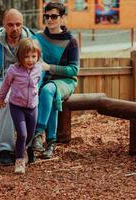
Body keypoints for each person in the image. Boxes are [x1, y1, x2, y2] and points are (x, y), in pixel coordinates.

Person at [0, 9, 34, 166]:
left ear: (22, 24)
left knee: (30, 103)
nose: (15, 28)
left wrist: (34, 85)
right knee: (7, 100)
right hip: (0, 81)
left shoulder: (31, 40)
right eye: (10, 25)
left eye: (18, 24)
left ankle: (27, 146)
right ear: (3, 25)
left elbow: (38, 66)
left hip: (24, 81)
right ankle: (5, 149)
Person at [32, 2, 80, 159]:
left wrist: (49, 67)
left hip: (65, 81)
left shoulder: (71, 41)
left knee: (48, 90)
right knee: (48, 93)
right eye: (46, 16)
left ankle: (38, 133)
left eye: (54, 16)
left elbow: (74, 70)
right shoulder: (38, 38)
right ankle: (51, 142)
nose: (49, 19)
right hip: (43, 80)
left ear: (63, 17)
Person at [0, 38, 42, 173]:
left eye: (33, 56)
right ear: (19, 56)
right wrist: (1, 97)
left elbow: (37, 82)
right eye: (26, 57)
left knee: (30, 134)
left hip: (32, 107)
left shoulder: (38, 69)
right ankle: (19, 161)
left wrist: (35, 94)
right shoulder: (13, 70)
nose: (30, 60)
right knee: (22, 134)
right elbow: (5, 85)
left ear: (38, 56)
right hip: (17, 106)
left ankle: (23, 149)